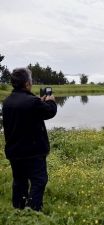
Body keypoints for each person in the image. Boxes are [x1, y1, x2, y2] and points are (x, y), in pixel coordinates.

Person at [2, 68, 57, 211]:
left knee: (19, 182)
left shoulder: (7, 102)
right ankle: (32, 211)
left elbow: (26, 110)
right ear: (27, 83)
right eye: (31, 81)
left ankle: (18, 209)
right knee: (39, 181)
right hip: (33, 152)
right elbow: (49, 112)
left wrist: (39, 101)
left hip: (15, 151)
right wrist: (51, 101)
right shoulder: (32, 102)